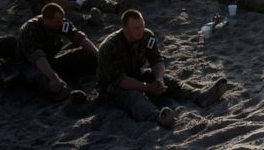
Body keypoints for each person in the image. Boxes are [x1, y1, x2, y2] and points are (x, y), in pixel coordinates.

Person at [97, 9, 228, 127]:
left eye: (142, 25)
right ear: (125, 29)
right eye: (136, 28)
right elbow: (121, 81)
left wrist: (159, 80)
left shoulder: (147, 36)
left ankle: (199, 96)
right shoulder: (110, 47)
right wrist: (147, 87)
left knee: (168, 80)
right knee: (133, 96)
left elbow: (156, 60)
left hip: (135, 73)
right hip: (111, 85)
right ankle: (158, 117)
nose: (141, 30)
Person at [17, 3, 98, 102]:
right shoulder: (30, 30)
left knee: (88, 55)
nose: (61, 24)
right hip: (31, 65)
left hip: (51, 59)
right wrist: (53, 77)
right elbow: (37, 57)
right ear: (46, 20)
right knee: (49, 81)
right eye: (57, 22)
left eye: (61, 21)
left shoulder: (61, 24)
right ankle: (70, 97)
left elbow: (79, 38)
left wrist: (98, 55)